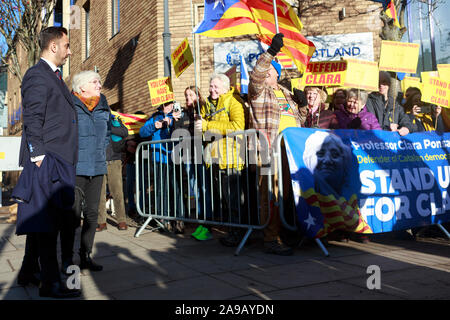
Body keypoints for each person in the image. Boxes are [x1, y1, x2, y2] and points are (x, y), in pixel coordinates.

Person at [13, 26, 81, 298]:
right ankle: (50, 284)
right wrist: (39, 156)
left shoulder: (52, 76)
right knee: (51, 224)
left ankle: (29, 271)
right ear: (53, 46)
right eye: (66, 45)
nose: (70, 50)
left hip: (56, 158)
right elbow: (32, 118)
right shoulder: (37, 75)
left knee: (42, 220)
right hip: (49, 160)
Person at [247, 33, 306, 255]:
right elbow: (256, 76)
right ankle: (270, 237)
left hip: (291, 152)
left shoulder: (287, 93)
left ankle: (289, 231)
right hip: (269, 149)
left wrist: (301, 106)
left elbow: (299, 121)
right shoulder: (259, 91)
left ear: (277, 75)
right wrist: (270, 52)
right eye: (267, 70)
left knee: (289, 194)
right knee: (270, 194)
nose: (266, 73)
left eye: (271, 70)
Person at [61, 70, 111, 274]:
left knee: (92, 215)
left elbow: (107, 131)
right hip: (76, 168)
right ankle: (66, 259)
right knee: (72, 216)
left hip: (97, 167)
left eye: (99, 82)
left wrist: (102, 150)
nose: (99, 85)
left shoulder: (103, 103)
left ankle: (85, 255)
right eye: (95, 82)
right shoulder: (70, 105)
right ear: (82, 87)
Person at [193, 73, 246, 242]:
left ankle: (238, 233)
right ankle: (232, 231)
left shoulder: (234, 101)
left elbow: (238, 126)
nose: (212, 89)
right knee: (225, 199)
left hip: (232, 157)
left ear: (225, 87)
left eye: (216, 86)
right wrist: (200, 127)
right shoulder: (207, 104)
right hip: (216, 159)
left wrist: (208, 126)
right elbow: (204, 131)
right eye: (210, 86)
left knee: (234, 199)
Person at [303, 131, 372, 242]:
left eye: (335, 155)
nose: (327, 160)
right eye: (320, 154)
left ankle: (346, 230)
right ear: (308, 159)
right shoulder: (305, 197)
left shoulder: (351, 197)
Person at [140, 101, 183, 231]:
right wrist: (155, 126)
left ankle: (179, 219)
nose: (168, 107)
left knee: (175, 189)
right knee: (160, 189)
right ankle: (162, 219)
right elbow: (142, 133)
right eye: (166, 104)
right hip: (159, 159)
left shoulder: (177, 115)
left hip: (173, 158)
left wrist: (173, 122)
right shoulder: (154, 117)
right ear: (161, 105)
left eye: (170, 104)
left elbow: (182, 132)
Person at [97, 114, 129, 231]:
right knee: (100, 193)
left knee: (117, 192)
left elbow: (125, 132)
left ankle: (121, 221)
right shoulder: (93, 119)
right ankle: (101, 222)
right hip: (99, 161)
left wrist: (107, 127)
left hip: (114, 161)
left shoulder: (115, 119)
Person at [365, 71, 412, 136]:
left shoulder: (395, 103)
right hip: (375, 141)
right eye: (378, 82)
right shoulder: (369, 101)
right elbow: (371, 123)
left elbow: (405, 119)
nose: (381, 85)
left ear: (389, 84)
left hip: (392, 143)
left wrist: (406, 128)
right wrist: (388, 129)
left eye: (384, 82)